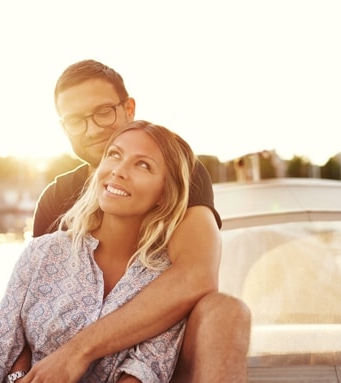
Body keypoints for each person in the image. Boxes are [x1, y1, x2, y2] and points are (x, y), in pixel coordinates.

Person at [26, 60, 250, 382]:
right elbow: (27, 304)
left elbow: (196, 277)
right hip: (63, 368)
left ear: (128, 108)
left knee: (226, 312)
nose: (91, 130)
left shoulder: (180, 175)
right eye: (75, 121)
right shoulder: (54, 199)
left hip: (160, 360)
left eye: (103, 112)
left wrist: (79, 351)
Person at [0, 121, 198, 382]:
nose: (118, 171)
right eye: (114, 155)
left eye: (143, 164)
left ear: (164, 193)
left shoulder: (165, 286)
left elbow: (143, 374)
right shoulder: (42, 252)